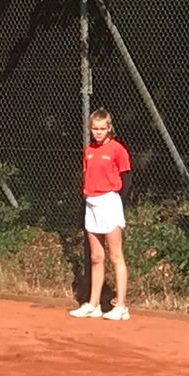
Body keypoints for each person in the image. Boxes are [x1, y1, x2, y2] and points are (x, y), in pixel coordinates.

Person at [69, 108, 132, 321]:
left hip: (110, 202)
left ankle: (121, 306)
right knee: (96, 257)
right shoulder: (88, 151)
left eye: (102, 129)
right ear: (90, 129)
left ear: (109, 128)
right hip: (91, 203)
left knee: (115, 255)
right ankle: (93, 304)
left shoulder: (117, 150)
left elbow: (127, 181)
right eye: (95, 129)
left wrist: (118, 203)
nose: (98, 132)